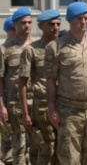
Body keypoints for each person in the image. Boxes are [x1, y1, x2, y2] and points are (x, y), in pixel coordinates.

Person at [45, 2, 87, 164]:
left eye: (86, 18)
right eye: (79, 19)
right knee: (69, 157)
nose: (84, 22)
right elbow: (51, 79)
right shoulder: (55, 47)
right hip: (69, 111)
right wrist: (51, 106)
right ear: (70, 21)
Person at [18, 9, 61, 165]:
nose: (55, 28)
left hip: (64, 105)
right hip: (41, 107)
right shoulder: (31, 50)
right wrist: (25, 114)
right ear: (41, 26)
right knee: (46, 148)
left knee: (63, 149)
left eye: (58, 24)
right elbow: (22, 83)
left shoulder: (64, 48)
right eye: (51, 24)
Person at [0, 8, 33, 165]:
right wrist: (2, 106)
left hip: (38, 104)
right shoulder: (5, 49)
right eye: (23, 22)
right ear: (15, 24)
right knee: (18, 148)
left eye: (29, 22)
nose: (27, 25)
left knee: (39, 147)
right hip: (14, 105)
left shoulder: (40, 46)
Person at [1, 16, 15, 164]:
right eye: (13, 29)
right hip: (6, 102)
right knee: (8, 140)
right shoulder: (3, 50)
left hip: (22, 102)